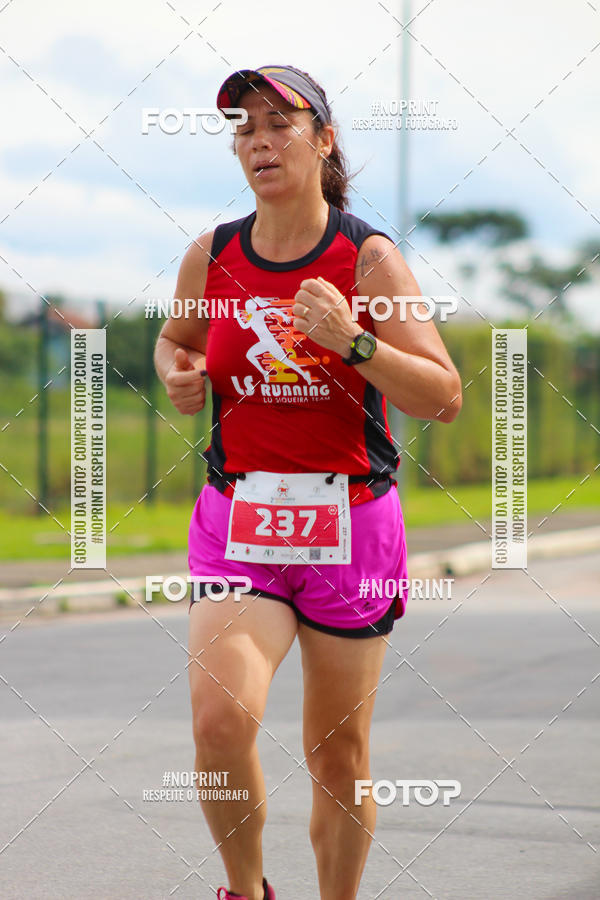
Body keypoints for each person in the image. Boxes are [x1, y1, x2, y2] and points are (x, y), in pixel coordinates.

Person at [154, 65, 462, 900]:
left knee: (338, 753)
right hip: (238, 516)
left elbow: (443, 396)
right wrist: (180, 371)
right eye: (244, 128)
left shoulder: (365, 258)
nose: (259, 140)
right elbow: (178, 343)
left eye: (279, 123)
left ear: (323, 141)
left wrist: (352, 342)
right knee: (219, 724)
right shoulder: (212, 255)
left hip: (351, 525)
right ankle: (246, 891)